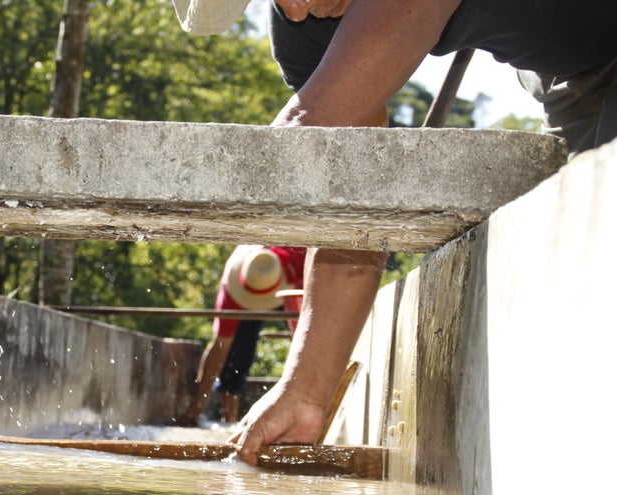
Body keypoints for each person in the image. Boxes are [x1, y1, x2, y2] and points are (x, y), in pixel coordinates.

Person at [172, 0, 617, 465]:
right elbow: (358, 214)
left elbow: (302, 140)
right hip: (573, 74)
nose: (297, 7)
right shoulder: (302, 28)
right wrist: (304, 390)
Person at [177, 245, 306, 425]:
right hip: (249, 291)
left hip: (291, 283)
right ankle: (229, 420)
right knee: (236, 354)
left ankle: (304, 411)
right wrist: (194, 410)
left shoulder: (302, 259)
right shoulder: (233, 289)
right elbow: (219, 348)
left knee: (305, 339)